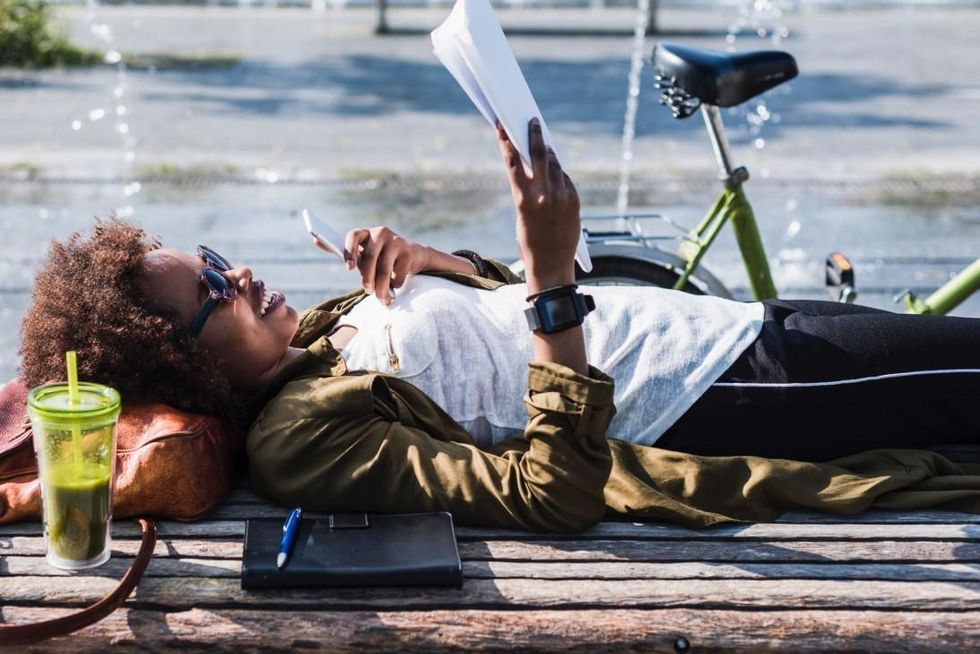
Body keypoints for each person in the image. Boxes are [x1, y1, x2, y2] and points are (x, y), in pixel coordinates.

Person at [19, 120, 980, 532]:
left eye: (218, 255)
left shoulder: (316, 332)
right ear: (187, 373)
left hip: (703, 325)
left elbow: (488, 314)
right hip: (713, 392)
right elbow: (549, 492)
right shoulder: (300, 435)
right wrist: (552, 272)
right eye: (215, 288)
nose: (243, 273)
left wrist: (437, 261)